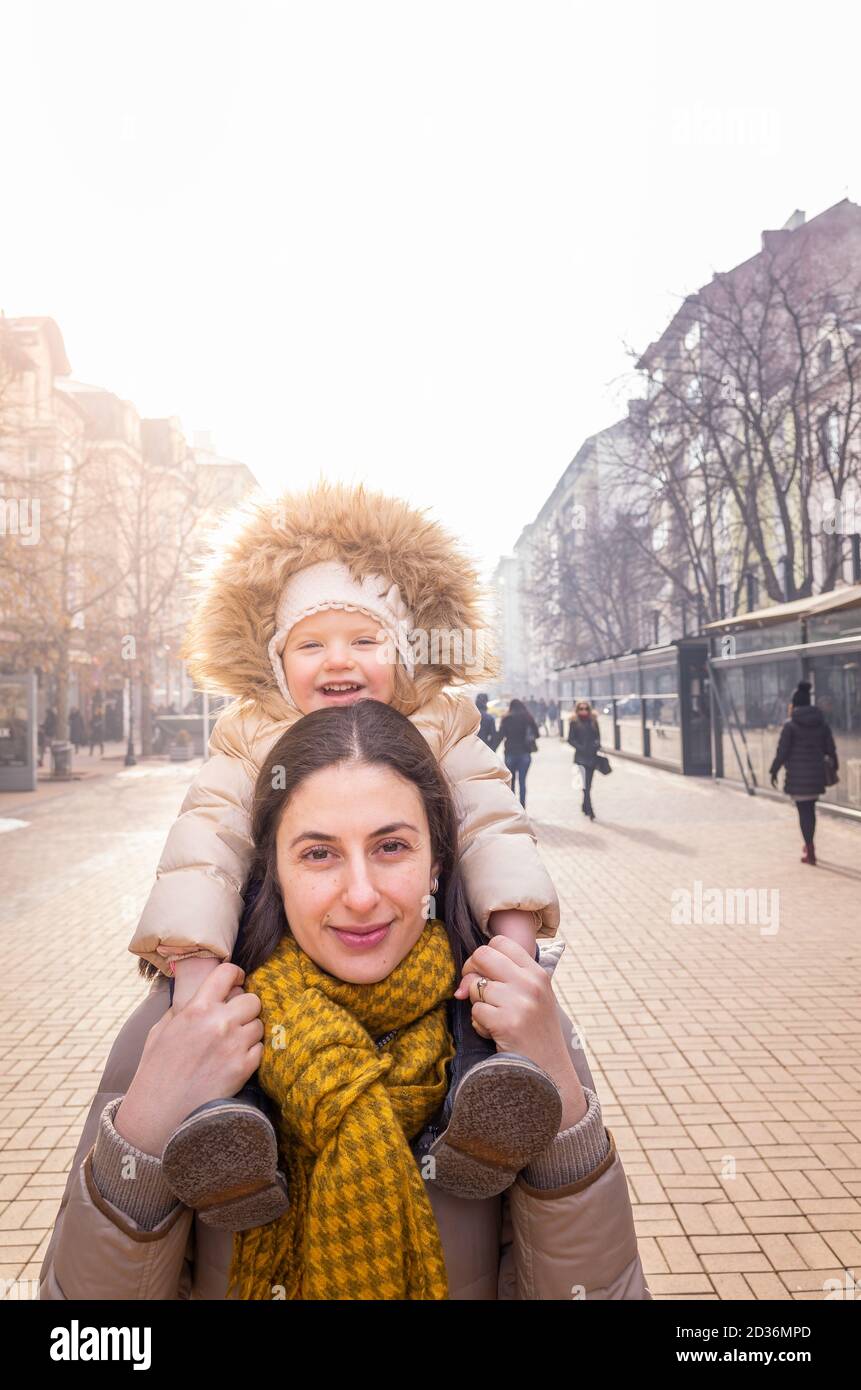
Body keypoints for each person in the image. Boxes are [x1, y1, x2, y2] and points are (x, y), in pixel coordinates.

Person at [39, 700, 649, 1300]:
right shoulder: (183, 1029)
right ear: (273, 869)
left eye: (391, 848)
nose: (360, 895)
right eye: (318, 853)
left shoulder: (511, 1024)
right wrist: (144, 1134)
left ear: (436, 861)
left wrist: (564, 1108)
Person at [125, 481, 562, 1222]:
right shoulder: (250, 733)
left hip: (437, 955)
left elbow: (494, 827)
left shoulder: (439, 722)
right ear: (275, 660)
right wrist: (195, 984)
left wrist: (511, 948)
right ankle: (229, 1137)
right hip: (280, 960)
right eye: (311, 643)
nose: (340, 660)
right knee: (246, 1034)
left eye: (365, 641)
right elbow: (205, 848)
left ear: (402, 654)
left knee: (472, 1025)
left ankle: (479, 1111)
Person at [769, 680, 838, 866]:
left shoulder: (790, 726)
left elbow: (782, 752)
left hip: (797, 776)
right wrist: (835, 766)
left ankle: (810, 848)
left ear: (794, 704)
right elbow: (831, 749)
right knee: (811, 810)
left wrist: (774, 770)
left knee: (803, 812)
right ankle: (810, 846)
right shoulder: (821, 723)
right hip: (815, 775)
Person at [494, 698, 539, 809]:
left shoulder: (506, 719)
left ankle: (513, 808)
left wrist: (491, 749)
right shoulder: (528, 718)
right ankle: (523, 807)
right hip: (524, 754)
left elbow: (500, 736)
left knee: (511, 782)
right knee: (522, 782)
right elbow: (537, 734)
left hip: (510, 754)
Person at [568, 699, 601, 821]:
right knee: (585, 785)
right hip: (580, 758)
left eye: (586, 708)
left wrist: (596, 745)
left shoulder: (593, 721)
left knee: (589, 784)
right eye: (581, 709)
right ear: (577, 710)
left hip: (592, 757)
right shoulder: (574, 722)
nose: (583, 711)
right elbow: (570, 739)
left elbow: (598, 737)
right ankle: (590, 810)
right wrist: (580, 747)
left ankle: (584, 805)